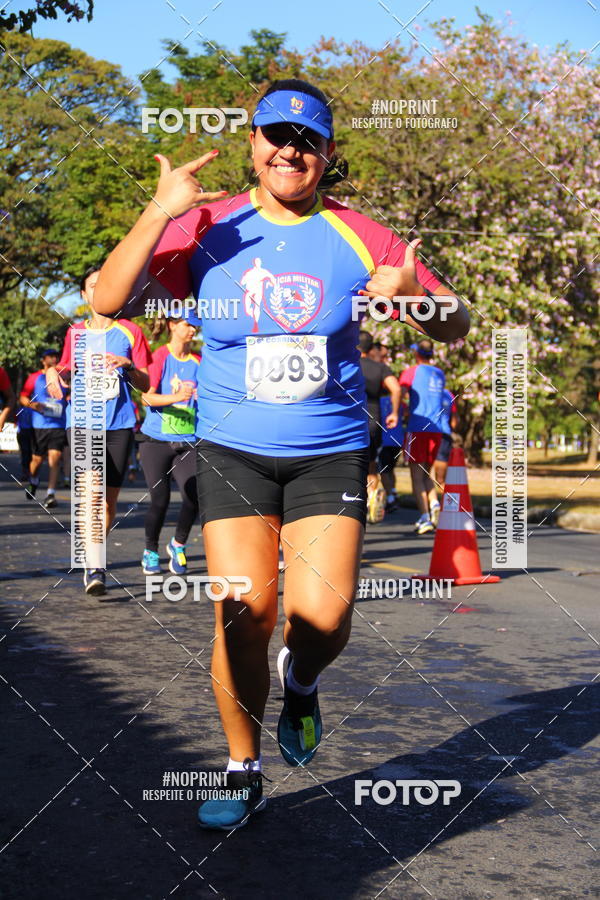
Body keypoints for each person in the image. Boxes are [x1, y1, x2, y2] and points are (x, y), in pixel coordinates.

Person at [91, 77, 469, 829]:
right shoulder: (205, 225)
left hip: (329, 452)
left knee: (321, 617)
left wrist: (414, 298)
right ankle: (242, 768)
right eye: (276, 137)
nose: (289, 151)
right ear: (253, 144)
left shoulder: (363, 234)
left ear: (327, 154)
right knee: (242, 609)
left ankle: (301, 681)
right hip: (232, 449)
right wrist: (157, 211)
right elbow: (106, 298)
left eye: (307, 141)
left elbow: (454, 324)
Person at [46, 267, 151, 596]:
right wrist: (54, 374)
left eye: (106, 284)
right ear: (84, 294)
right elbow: (64, 368)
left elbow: (147, 383)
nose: (100, 290)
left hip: (119, 424)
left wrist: (129, 366)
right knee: (91, 494)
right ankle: (96, 565)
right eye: (94, 286)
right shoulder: (75, 333)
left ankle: (94, 553)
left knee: (108, 502)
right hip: (82, 422)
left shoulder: (131, 331)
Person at [138, 316, 201, 575]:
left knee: (194, 497)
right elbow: (146, 397)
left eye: (195, 325)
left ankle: (178, 544)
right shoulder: (159, 356)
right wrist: (178, 396)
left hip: (187, 440)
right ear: (173, 325)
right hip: (156, 441)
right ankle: (150, 551)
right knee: (160, 500)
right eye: (188, 324)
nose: (192, 329)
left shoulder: (199, 361)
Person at [400, 340, 446, 535]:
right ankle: (434, 504)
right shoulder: (439, 373)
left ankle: (425, 517)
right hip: (435, 429)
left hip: (417, 427)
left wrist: (402, 411)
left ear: (417, 353)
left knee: (416, 476)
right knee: (427, 473)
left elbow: (400, 394)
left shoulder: (411, 372)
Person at [358, 330, 401, 522]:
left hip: (350, 420)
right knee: (371, 465)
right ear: (371, 347)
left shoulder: (346, 364)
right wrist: (395, 413)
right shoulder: (380, 368)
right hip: (373, 420)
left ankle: (354, 502)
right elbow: (397, 388)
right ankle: (372, 498)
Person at [19, 349, 67, 508]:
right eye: (50, 357)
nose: (54, 359)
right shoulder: (35, 377)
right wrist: (35, 406)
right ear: (43, 360)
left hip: (58, 424)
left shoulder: (65, 376)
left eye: (56, 356)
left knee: (55, 458)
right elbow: (23, 397)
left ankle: (50, 494)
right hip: (39, 424)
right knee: (37, 461)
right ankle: (33, 481)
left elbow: (68, 395)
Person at [428, 387, 458, 523]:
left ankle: (439, 505)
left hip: (428, 433)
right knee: (440, 479)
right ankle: (448, 508)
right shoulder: (449, 394)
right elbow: (454, 421)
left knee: (426, 475)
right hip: (445, 435)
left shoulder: (427, 391)